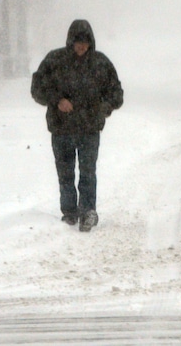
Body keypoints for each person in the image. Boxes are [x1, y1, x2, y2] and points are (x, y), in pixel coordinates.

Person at [31, 19, 123, 232]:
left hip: (89, 129)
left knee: (88, 171)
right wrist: (57, 101)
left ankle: (88, 211)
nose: (81, 47)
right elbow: (37, 88)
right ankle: (69, 212)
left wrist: (103, 108)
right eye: (78, 42)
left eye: (85, 43)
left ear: (91, 43)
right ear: (70, 42)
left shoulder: (101, 64)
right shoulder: (55, 61)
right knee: (65, 173)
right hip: (61, 128)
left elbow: (116, 94)